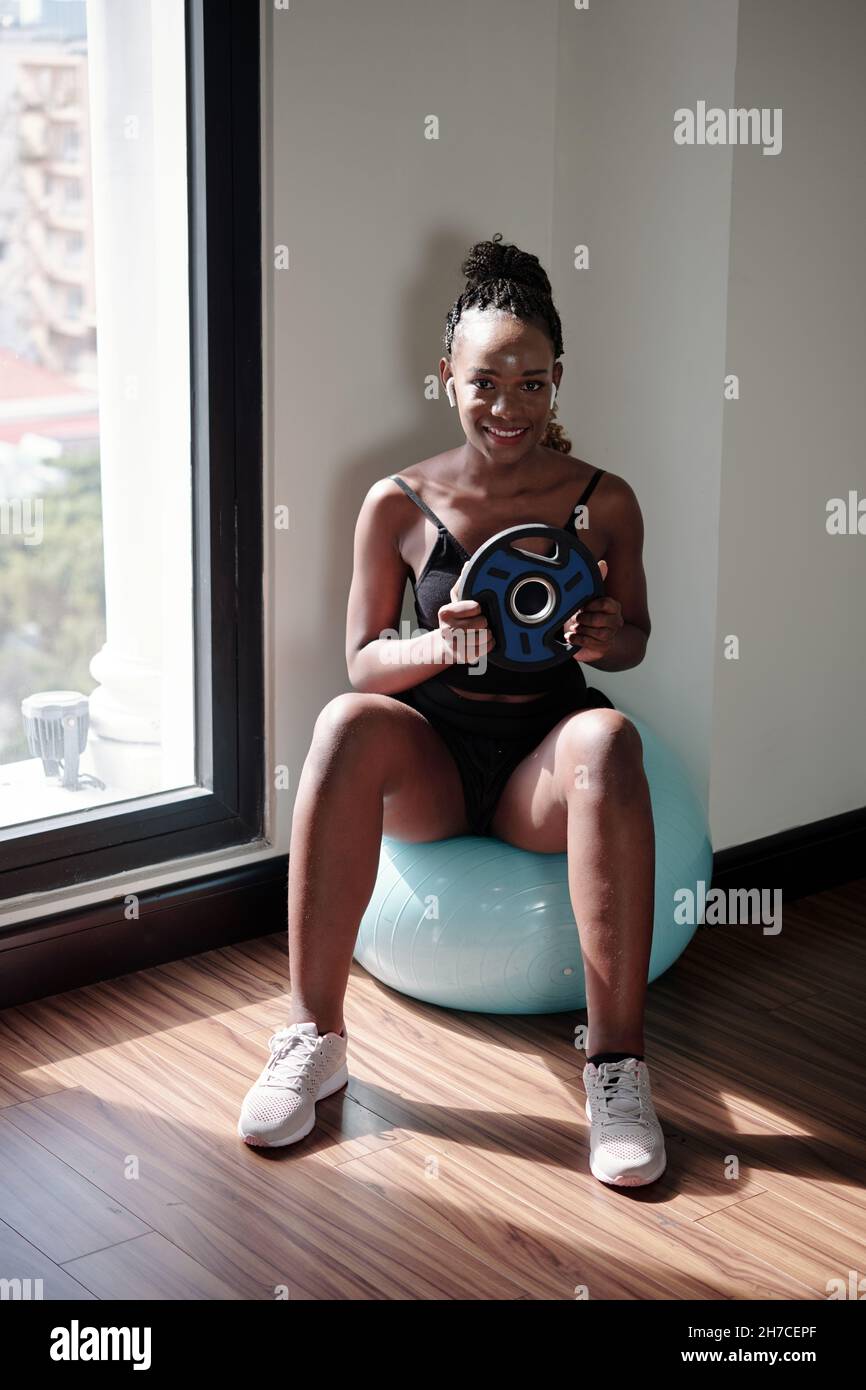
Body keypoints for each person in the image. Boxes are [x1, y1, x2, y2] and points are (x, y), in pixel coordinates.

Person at [238, 234, 666, 1187]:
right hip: (431, 763)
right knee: (345, 725)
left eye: (531, 384)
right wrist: (438, 644)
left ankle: (617, 1068)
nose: (507, 407)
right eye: (485, 383)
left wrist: (604, 635)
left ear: (559, 381)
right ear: (447, 379)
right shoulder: (397, 502)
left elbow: (636, 634)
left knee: (611, 734)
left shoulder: (606, 502)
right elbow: (360, 663)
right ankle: (314, 1039)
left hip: (538, 774)